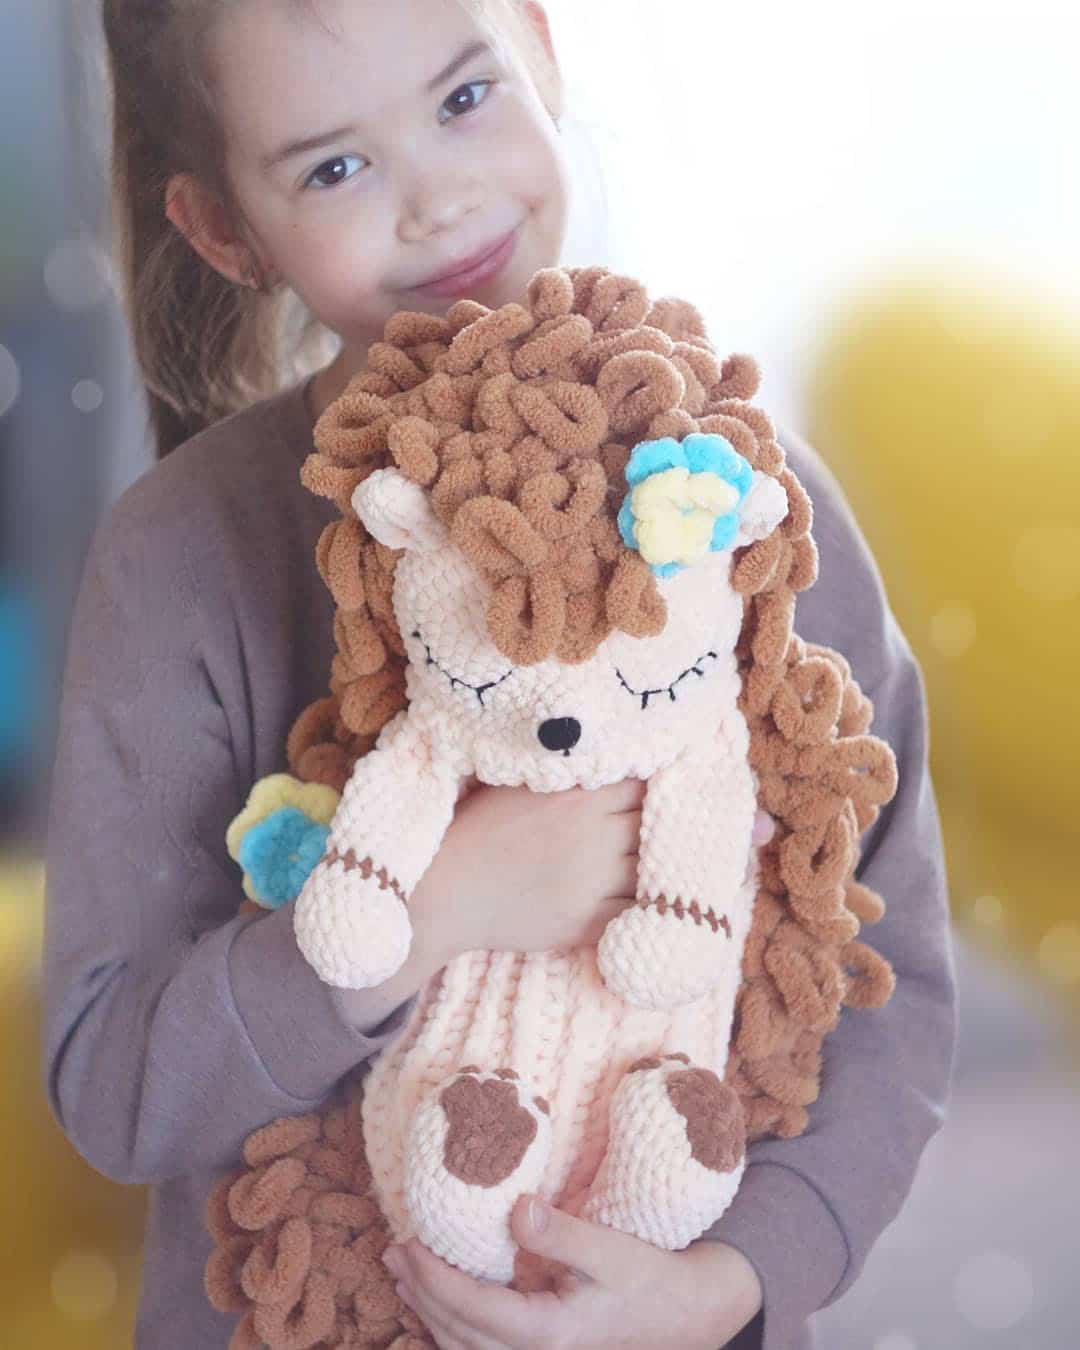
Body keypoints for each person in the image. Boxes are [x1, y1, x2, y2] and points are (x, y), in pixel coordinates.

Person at [41, 2, 957, 1347]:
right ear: (226, 230)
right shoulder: (177, 556)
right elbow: (113, 1082)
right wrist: (424, 916)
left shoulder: (747, 499)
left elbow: (890, 978)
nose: (439, 198)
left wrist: (732, 1279)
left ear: (538, 46)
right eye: (335, 167)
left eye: (465, 98)